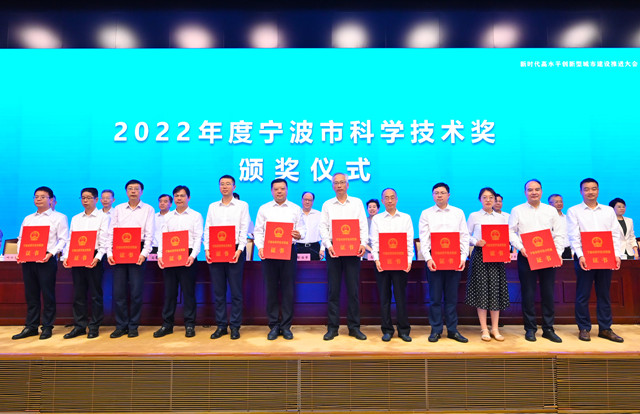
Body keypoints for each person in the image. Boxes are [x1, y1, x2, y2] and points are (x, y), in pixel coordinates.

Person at [567, 179, 624, 342]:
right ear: (581, 192)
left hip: (605, 257)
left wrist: (617, 255)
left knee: (604, 294)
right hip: (585, 258)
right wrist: (580, 255)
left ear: (598, 190)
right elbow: (573, 235)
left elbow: (615, 234)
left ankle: (605, 328)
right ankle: (584, 328)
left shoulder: (608, 211)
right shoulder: (574, 211)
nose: (590, 192)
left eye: (593, 189)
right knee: (583, 294)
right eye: (586, 189)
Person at [508, 179, 564, 343]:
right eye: (530, 190)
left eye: (537, 189)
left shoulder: (551, 210)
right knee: (528, 293)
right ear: (525, 192)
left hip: (548, 256)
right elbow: (510, 232)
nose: (534, 192)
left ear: (541, 191)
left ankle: (548, 329)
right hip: (526, 256)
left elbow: (559, 234)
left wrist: (558, 253)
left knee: (548, 293)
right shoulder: (517, 210)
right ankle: (530, 329)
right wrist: (520, 247)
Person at [13, 186, 68, 340]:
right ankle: (31, 326)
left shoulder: (59, 217)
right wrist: (20, 253)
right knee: (31, 295)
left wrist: (51, 253)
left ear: (51, 200)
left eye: (43, 197)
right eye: (36, 196)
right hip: (28, 259)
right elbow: (21, 238)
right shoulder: (28, 218)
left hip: (46, 260)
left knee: (47, 294)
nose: (38, 199)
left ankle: (47, 327)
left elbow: (63, 239)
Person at [254, 179, 305, 340]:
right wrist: (260, 248)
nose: (279, 191)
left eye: (282, 188)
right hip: (269, 252)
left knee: (288, 289)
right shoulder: (264, 208)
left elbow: (302, 229)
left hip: (288, 251)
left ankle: (286, 326)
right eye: (276, 189)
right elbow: (258, 231)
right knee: (271, 289)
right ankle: (274, 325)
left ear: (287, 190)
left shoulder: (295, 209)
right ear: (271, 191)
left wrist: (299, 234)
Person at [319, 173, 368, 341]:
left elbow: (363, 225)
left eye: (342, 182)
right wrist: (328, 245)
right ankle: (332, 328)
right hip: (333, 250)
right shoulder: (327, 204)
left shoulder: (357, 203)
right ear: (332, 186)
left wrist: (363, 243)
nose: (339, 185)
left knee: (353, 291)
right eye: (336, 183)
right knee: (333, 290)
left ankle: (354, 327)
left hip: (353, 250)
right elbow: (323, 227)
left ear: (347, 185)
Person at [419, 182, 470, 343]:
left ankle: (453, 330)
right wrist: (428, 258)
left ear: (449, 195)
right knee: (434, 298)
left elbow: (464, 236)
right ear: (432, 195)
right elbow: (424, 238)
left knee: (451, 298)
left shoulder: (458, 212)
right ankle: (436, 330)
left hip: (454, 261)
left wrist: (463, 258)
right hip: (434, 261)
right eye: (436, 192)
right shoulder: (426, 213)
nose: (439, 195)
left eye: (442, 192)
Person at [107, 179, 154, 338]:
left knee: (136, 292)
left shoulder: (148, 209)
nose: (133, 191)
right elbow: (111, 232)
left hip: (138, 251)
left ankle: (133, 325)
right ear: (126, 191)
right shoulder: (118, 209)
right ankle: (121, 326)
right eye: (130, 188)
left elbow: (149, 234)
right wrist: (110, 252)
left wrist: (144, 253)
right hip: (119, 250)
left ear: (141, 191)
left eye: (136, 189)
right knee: (119, 292)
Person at [205, 175, 250, 340]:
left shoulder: (242, 205)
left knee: (236, 292)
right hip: (216, 252)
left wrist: (240, 249)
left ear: (234, 187)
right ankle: (221, 326)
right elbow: (208, 228)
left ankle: (235, 326)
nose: (224, 187)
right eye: (222, 184)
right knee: (219, 292)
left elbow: (244, 229)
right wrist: (207, 249)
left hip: (235, 252)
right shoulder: (212, 207)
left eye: (228, 184)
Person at [155, 185, 203, 338]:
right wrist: (160, 255)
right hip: (170, 255)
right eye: (176, 196)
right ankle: (167, 324)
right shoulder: (168, 216)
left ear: (188, 198)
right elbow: (163, 237)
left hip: (188, 256)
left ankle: (189, 324)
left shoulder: (195, 215)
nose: (179, 198)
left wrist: (193, 255)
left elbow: (198, 238)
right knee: (170, 293)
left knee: (188, 293)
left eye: (182, 196)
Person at [61, 187, 109, 339]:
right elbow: (70, 239)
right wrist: (66, 256)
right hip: (77, 256)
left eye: (89, 197)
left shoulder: (103, 217)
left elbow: (104, 240)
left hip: (94, 257)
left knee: (95, 294)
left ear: (96, 199)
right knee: (79, 294)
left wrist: (98, 257)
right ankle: (80, 326)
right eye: (83, 198)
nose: (85, 200)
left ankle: (94, 326)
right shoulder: (76, 218)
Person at [465, 187, 510, 342]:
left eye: (491, 197)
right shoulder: (474, 216)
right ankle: (484, 328)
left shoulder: (502, 218)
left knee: (495, 292)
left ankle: (495, 328)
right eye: (485, 197)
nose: (488, 200)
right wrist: (475, 241)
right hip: (480, 256)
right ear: (480, 199)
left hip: (497, 257)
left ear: (495, 200)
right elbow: (465, 235)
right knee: (482, 292)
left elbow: (506, 237)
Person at [370, 188, 413, 342]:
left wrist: (409, 260)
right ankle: (387, 329)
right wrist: (376, 260)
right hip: (382, 264)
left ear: (397, 199)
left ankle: (404, 330)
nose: (389, 200)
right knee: (384, 298)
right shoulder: (377, 219)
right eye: (386, 198)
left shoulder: (406, 218)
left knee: (401, 298)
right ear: (382, 201)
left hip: (401, 264)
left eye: (392, 197)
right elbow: (374, 241)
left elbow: (409, 241)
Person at [298, 191, 324, 260]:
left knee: (315, 267)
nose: (307, 202)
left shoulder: (319, 215)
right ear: (301, 200)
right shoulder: (296, 214)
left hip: (314, 248)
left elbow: (323, 233)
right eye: (305, 199)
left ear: (313, 201)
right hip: (298, 247)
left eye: (309, 200)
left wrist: (322, 249)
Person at [548, 194, 572, 259]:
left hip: (567, 250)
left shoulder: (567, 218)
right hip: (552, 250)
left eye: (561, 201)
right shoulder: (547, 219)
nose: (559, 204)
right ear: (550, 204)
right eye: (556, 202)